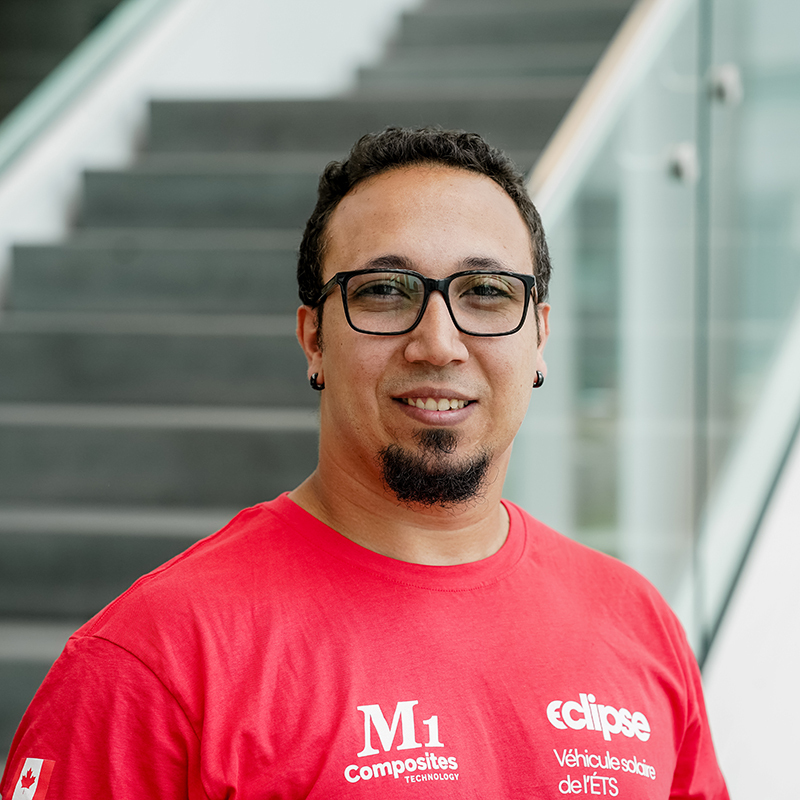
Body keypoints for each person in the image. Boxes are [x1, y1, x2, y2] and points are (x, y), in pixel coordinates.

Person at [1, 127, 728, 798]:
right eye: (385, 291)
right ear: (314, 338)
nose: (438, 343)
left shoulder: (636, 623)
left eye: (485, 293)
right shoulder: (156, 663)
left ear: (538, 335)